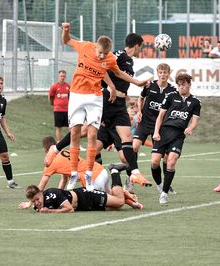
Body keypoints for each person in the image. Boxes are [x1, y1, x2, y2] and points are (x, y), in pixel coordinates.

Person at [62, 23, 148, 192]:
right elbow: (67, 41)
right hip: (84, 96)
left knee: (97, 137)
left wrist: (132, 85)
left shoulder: (110, 58)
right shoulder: (89, 47)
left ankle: (92, 175)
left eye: (104, 54)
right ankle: (71, 167)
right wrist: (66, 31)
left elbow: (114, 73)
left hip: (102, 101)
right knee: (78, 132)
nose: (101, 56)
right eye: (99, 52)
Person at [98, 33, 153, 192]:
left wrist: (128, 98)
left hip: (120, 104)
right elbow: (104, 67)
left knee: (124, 153)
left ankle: (130, 177)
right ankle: (94, 179)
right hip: (108, 101)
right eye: (141, 47)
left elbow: (120, 79)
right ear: (136, 45)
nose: (140, 50)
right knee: (90, 141)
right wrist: (110, 88)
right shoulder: (120, 55)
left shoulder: (128, 61)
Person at [152, 74, 201, 204]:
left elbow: (194, 120)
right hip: (163, 132)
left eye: (184, 84)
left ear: (189, 84)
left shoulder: (195, 102)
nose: (181, 86)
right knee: (154, 162)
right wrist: (156, 132)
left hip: (178, 135)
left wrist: (190, 128)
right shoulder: (171, 96)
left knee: (171, 161)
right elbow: (160, 116)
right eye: (179, 84)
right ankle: (159, 185)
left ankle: (164, 193)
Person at [133, 63, 177, 194]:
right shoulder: (149, 85)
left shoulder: (172, 90)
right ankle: (132, 175)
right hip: (144, 122)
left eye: (165, 72)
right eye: (161, 72)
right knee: (134, 147)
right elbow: (141, 98)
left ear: (169, 74)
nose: (163, 75)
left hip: (159, 126)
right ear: (158, 73)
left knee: (162, 158)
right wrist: (139, 111)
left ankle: (163, 185)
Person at [25, 169, 137, 213]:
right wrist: (28, 204)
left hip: (86, 195)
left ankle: (115, 172)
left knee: (119, 202)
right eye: (33, 201)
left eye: (36, 199)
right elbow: (35, 205)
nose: (36, 203)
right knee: (114, 208)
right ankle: (128, 199)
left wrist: (50, 211)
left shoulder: (52, 194)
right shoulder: (37, 206)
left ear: (41, 193)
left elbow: (69, 209)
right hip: (83, 206)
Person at [48, 70, 70, 141]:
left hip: (67, 110)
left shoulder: (68, 86)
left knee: (71, 127)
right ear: (58, 76)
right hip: (58, 110)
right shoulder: (54, 86)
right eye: (61, 76)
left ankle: (73, 142)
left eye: (64, 76)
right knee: (58, 127)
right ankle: (59, 143)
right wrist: (53, 104)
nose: (62, 77)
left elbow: (70, 96)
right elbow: (51, 96)